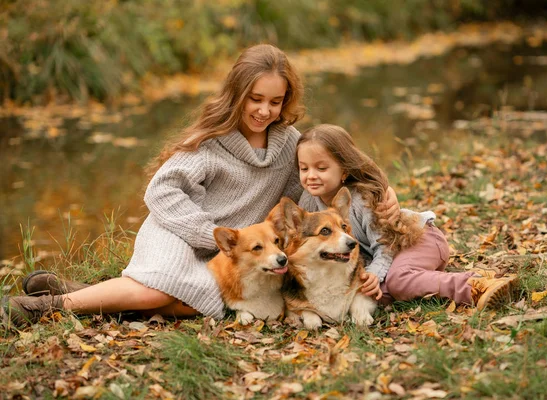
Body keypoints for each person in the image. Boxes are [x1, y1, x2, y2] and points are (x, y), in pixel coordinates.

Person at [1, 45, 399, 329]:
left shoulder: (291, 144)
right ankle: (47, 306)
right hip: (180, 231)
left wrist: (381, 188)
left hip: (238, 249)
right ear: (237, 95)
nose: (264, 110)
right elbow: (161, 192)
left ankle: (89, 292)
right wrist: (207, 234)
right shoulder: (213, 141)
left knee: (205, 303)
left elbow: (329, 171)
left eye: (275, 102)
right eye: (255, 99)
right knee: (160, 293)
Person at [296, 124, 518, 310]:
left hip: (416, 239)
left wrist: (374, 273)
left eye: (321, 168)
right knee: (373, 293)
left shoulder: (362, 200)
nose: (311, 176)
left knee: (398, 280)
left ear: (344, 170)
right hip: (389, 258)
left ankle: (476, 286)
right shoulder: (308, 203)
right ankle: (446, 277)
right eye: (304, 169)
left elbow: (385, 246)